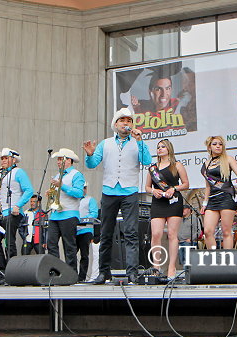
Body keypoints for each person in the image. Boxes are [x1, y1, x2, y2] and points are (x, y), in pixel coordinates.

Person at [83, 108, 151, 284]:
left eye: (129, 120)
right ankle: (104, 272)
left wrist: (140, 141)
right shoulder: (105, 143)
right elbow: (92, 164)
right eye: (122, 120)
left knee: (131, 232)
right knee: (106, 233)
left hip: (129, 192)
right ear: (115, 124)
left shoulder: (137, 143)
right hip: (109, 192)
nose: (126, 123)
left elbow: (147, 161)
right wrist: (89, 154)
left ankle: (132, 273)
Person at [146, 139, 190, 279]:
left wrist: (174, 188)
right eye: (158, 147)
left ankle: (171, 267)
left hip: (173, 201)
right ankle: (156, 266)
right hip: (158, 202)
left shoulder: (176, 165)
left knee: (172, 234)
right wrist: (153, 191)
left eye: (163, 147)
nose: (160, 149)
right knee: (156, 234)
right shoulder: (153, 168)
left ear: (169, 149)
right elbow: (147, 187)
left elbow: (186, 184)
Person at [200, 136, 237, 250]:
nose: (218, 146)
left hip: (226, 197)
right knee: (208, 231)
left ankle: (227, 257)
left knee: (226, 231)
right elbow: (208, 186)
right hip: (212, 199)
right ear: (209, 147)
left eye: (220, 144)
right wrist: (205, 203)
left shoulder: (228, 159)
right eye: (215, 144)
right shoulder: (206, 164)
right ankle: (213, 256)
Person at [0, 148, 34, 269]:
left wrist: (18, 205)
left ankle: (12, 269)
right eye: (2, 158)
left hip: (13, 211)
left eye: (6, 158)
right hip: (0, 213)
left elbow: (29, 190)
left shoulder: (19, 172)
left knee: (9, 242)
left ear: (14, 160)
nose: (3, 161)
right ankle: (2, 269)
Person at [46, 148, 85, 275]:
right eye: (58, 159)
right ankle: (55, 271)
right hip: (55, 215)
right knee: (51, 243)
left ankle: (71, 273)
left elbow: (79, 193)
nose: (58, 162)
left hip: (69, 213)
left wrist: (62, 186)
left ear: (69, 160)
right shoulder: (58, 175)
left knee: (69, 246)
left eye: (60, 159)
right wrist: (51, 194)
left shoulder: (76, 174)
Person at [77, 183, 98, 282]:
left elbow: (94, 214)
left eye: (85, 188)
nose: (83, 189)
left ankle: (81, 277)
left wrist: (82, 219)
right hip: (74, 230)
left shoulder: (90, 200)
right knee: (71, 254)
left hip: (86, 230)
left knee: (84, 255)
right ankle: (72, 275)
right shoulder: (73, 200)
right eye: (82, 187)